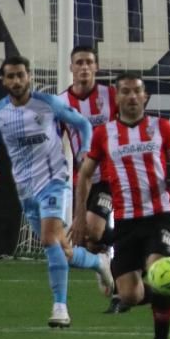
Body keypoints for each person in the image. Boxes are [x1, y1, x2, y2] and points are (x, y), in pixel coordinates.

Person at [0, 56, 113, 328]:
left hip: (55, 181)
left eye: (21, 75)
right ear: (3, 81)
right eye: (11, 76)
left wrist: (86, 149)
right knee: (61, 249)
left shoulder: (50, 103)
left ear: (29, 76)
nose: (16, 81)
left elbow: (84, 124)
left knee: (51, 240)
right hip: (25, 189)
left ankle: (60, 307)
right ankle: (99, 262)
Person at [70, 72, 170, 339]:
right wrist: (78, 217)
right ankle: (143, 290)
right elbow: (85, 175)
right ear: (118, 98)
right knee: (131, 295)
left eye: (136, 91)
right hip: (126, 222)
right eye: (125, 91)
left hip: (159, 217)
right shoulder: (104, 134)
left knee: (160, 270)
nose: (131, 96)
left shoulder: (161, 127)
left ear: (145, 97)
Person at [57, 46, 125, 314]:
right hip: (81, 176)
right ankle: (104, 257)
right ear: (71, 68)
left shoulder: (111, 96)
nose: (84, 67)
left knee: (94, 229)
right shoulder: (61, 103)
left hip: (110, 175)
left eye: (89, 62)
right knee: (85, 239)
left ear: (96, 67)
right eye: (79, 63)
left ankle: (131, 245)